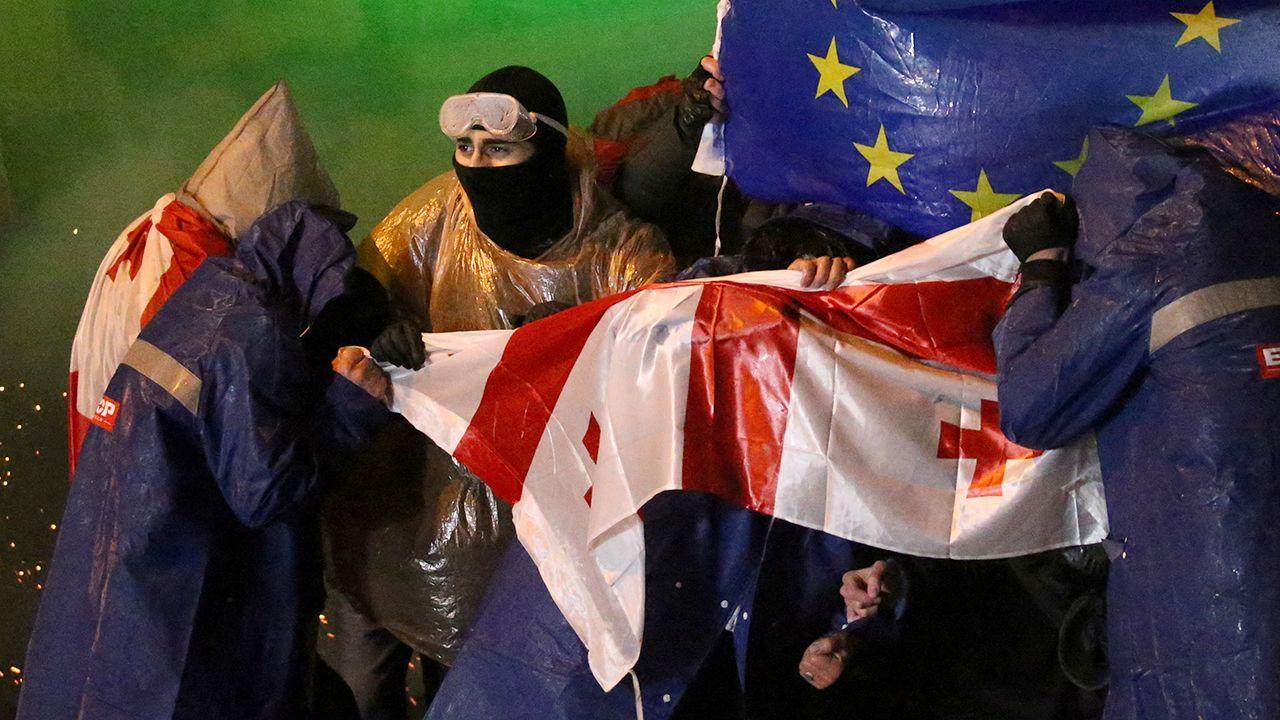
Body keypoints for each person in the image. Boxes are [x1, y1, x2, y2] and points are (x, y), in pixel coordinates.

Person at [321, 65, 676, 719]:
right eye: (466, 149)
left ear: (544, 152)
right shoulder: (436, 215)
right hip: (409, 509)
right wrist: (378, 323)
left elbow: (659, 358)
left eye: (499, 150)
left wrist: (574, 341)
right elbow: (354, 288)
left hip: (528, 532)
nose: (477, 166)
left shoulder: (619, 250)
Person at [17, 200, 393, 720]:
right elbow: (266, 491)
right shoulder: (253, 330)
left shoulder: (198, 302)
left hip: (117, 587)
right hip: (170, 607)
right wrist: (353, 406)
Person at [993, 125, 1280, 718]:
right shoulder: (1263, 225)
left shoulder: (1155, 252)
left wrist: (1043, 269)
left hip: (1206, 634)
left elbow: (1031, 405)